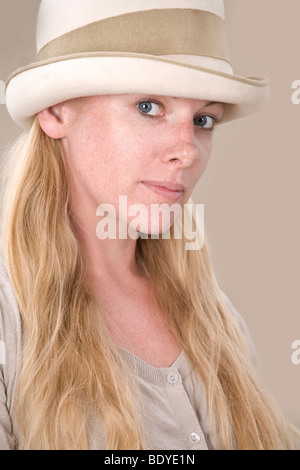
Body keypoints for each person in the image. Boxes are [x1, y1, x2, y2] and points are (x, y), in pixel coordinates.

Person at [0, 0, 298, 450]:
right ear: (56, 111)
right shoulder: (9, 323)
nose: (188, 150)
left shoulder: (219, 318)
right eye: (148, 106)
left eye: (203, 119)